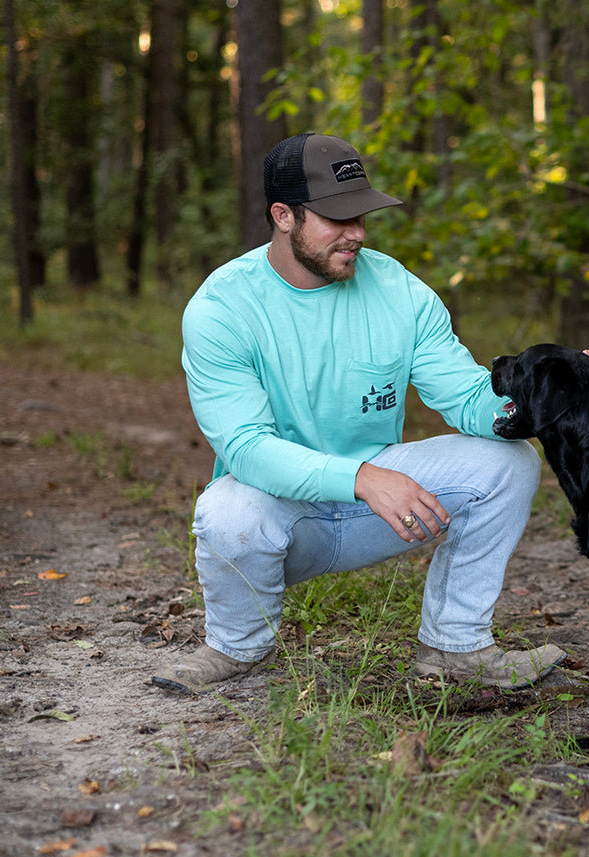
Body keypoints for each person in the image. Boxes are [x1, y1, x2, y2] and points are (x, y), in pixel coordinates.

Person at [151, 132, 565, 694]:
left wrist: (552, 402)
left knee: (509, 462)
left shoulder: (399, 290)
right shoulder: (222, 308)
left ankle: (455, 646)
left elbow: (467, 396)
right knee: (226, 511)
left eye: (362, 215)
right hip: (286, 515)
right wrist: (363, 478)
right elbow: (245, 447)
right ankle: (237, 647)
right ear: (283, 216)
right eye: (336, 218)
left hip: (380, 510)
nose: (358, 234)